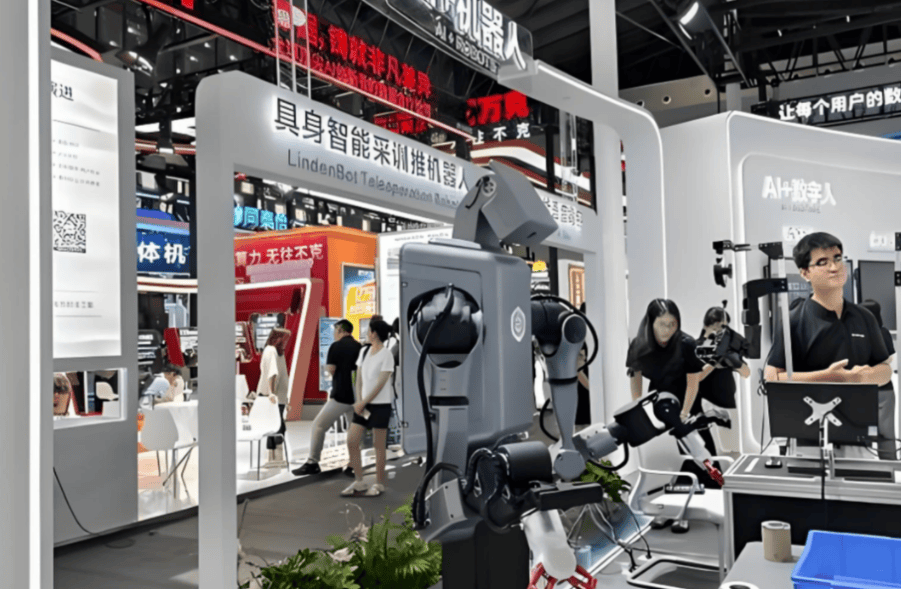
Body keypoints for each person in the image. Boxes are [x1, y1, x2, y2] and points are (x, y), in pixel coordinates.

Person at [764, 232, 891, 458]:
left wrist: (863, 378)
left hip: (860, 436)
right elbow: (773, 378)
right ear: (805, 273)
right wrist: (829, 377)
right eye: (822, 262)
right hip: (807, 438)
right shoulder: (793, 320)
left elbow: (885, 371)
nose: (834, 267)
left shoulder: (865, 317)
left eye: (838, 258)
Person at [293, 319, 362, 476]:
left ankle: (313, 462)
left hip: (340, 396)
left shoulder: (336, 346)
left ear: (340, 330)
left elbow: (331, 369)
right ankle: (353, 465)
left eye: (335, 331)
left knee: (318, 425)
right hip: (357, 396)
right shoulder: (359, 346)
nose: (334, 334)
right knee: (353, 431)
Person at [627, 299, 707, 421]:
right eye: (662, 324)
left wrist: (684, 414)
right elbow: (635, 381)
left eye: (672, 324)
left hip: (688, 404)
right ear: (651, 323)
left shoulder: (687, 344)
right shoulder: (638, 345)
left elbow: (693, 384)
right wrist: (639, 412)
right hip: (658, 403)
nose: (667, 330)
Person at [342, 319, 395, 497]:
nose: (366, 333)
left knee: (378, 445)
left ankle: (379, 483)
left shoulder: (387, 355)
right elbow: (358, 379)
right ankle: (359, 481)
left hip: (380, 405)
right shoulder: (364, 351)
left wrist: (363, 402)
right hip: (362, 405)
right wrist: (359, 401)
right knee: (352, 440)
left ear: (375, 333)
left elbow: (380, 384)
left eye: (369, 330)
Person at [695, 307, 751, 455]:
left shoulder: (727, 347)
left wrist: (734, 361)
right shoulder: (696, 347)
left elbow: (746, 373)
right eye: (717, 328)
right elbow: (697, 376)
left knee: (734, 450)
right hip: (707, 406)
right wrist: (715, 360)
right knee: (717, 452)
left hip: (729, 406)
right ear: (707, 326)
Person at [859, 299, 897, 460]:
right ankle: (888, 466)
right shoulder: (884, 332)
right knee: (886, 433)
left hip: (862, 389)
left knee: (861, 431)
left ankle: (867, 466)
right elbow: (891, 358)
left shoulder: (856, 334)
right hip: (885, 388)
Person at [256, 327, 293, 467]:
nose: (285, 342)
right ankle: (275, 458)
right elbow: (272, 373)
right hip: (271, 396)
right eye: (283, 338)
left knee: (275, 426)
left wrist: (285, 400)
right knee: (276, 426)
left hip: (278, 397)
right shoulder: (271, 350)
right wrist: (271, 393)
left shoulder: (278, 352)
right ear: (276, 338)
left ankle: (274, 458)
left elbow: (281, 375)